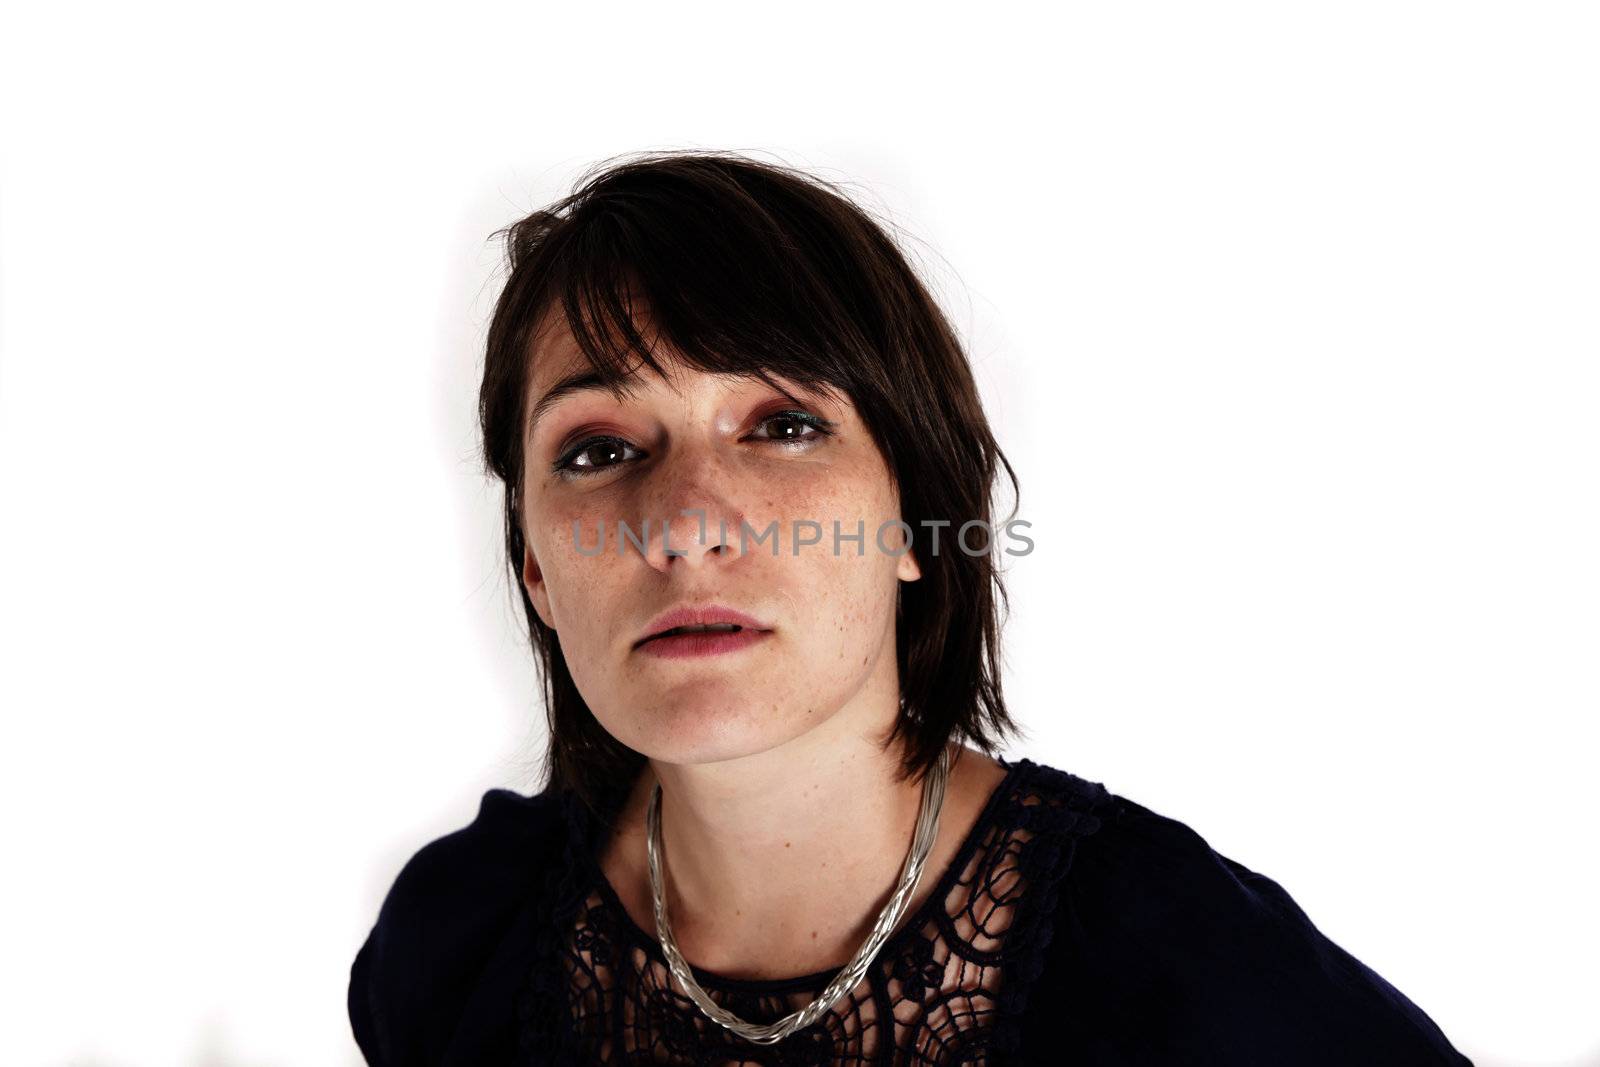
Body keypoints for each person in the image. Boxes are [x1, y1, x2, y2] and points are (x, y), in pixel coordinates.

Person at [348, 150, 1472, 1065]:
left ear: (917, 517)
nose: (684, 521)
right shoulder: (457, 942)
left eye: (783, 425)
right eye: (598, 449)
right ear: (538, 565)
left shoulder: (1181, 977)